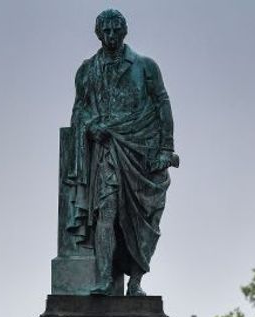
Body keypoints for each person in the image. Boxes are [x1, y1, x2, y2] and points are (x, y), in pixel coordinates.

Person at [64, 8, 178, 297]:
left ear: (124, 32)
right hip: (108, 151)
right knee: (107, 212)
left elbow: (163, 106)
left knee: (146, 220)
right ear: (99, 34)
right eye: (106, 31)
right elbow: (80, 110)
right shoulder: (88, 70)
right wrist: (91, 125)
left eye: (116, 30)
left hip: (143, 153)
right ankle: (104, 278)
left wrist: (166, 148)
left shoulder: (145, 66)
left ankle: (135, 283)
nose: (111, 36)